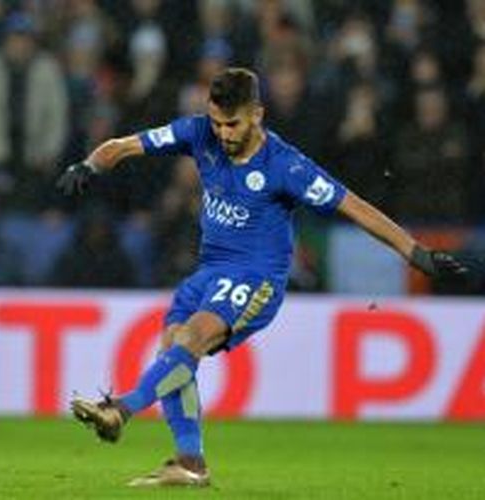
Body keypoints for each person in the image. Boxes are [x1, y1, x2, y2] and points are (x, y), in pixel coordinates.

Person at [55, 67, 467, 488]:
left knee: (189, 340)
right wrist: (88, 165)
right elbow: (125, 146)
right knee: (173, 350)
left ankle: (119, 410)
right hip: (209, 272)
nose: (222, 133)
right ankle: (190, 464)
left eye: (231, 124)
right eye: (216, 122)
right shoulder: (198, 133)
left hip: (256, 279)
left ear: (257, 114)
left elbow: (354, 206)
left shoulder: (286, 166)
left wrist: (415, 252)